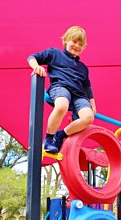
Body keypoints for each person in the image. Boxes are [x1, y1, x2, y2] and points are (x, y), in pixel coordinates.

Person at [27, 26, 96, 154]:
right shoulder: (55, 53)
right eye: (74, 41)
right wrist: (36, 67)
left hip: (79, 95)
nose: (77, 46)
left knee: (88, 117)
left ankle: (61, 135)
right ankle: (49, 138)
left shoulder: (83, 68)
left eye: (80, 44)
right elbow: (32, 57)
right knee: (61, 106)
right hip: (61, 87)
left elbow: (87, 87)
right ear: (65, 40)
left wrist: (93, 105)